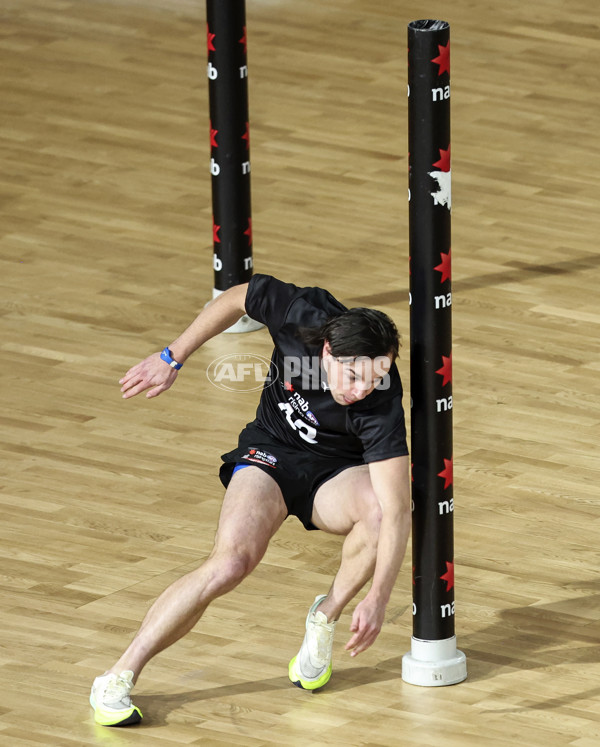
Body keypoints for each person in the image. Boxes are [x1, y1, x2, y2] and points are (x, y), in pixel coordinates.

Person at [89, 274, 411, 727]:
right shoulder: (305, 315)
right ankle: (118, 674)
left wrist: (378, 597)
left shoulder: (380, 402)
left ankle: (326, 615)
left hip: (336, 475)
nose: (360, 390)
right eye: (353, 376)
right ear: (325, 351)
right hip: (271, 453)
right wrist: (172, 356)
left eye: (374, 378)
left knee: (380, 509)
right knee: (228, 565)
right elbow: (239, 296)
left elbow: (398, 510)